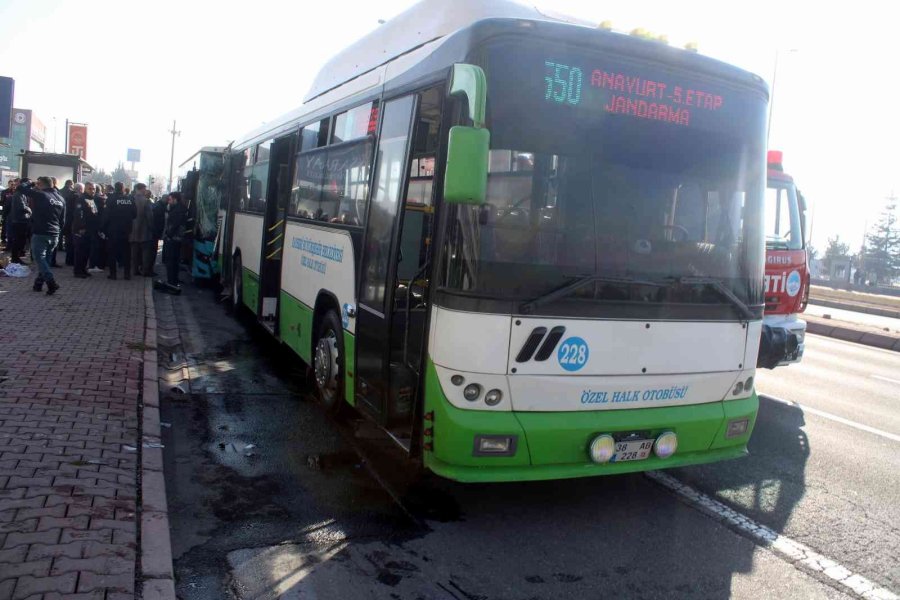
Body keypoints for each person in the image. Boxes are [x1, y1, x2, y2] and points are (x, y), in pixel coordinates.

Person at [18, 177, 65, 294]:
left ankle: (51, 282)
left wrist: (30, 183)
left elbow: (20, 188)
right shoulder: (61, 198)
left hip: (41, 233)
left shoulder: (41, 195)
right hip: (54, 234)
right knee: (46, 260)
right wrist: (58, 231)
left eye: (38, 184)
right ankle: (38, 284)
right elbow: (63, 220)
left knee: (40, 259)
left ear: (40, 184)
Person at [102, 181, 136, 280]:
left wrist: (103, 227)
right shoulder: (129, 199)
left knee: (112, 252)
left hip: (113, 230)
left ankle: (113, 274)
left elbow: (106, 215)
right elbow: (135, 214)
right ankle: (127, 274)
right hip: (126, 230)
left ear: (115, 188)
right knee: (126, 253)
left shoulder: (111, 199)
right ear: (123, 188)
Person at [72, 182, 100, 278]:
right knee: (80, 251)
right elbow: (79, 215)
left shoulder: (91, 199)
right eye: (90, 189)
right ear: (85, 189)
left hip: (90, 229)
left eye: (94, 189)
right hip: (82, 230)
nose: (92, 191)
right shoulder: (81, 199)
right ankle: (78, 271)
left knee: (87, 251)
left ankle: (83, 269)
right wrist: (81, 228)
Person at [162, 192, 188, 287]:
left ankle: (171, 281)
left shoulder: (177, 210)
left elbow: (174, 225)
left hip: (173, 238)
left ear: (175, 199)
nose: (169, 201)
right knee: (174, 261)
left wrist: (168, 235)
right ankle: (173, 280)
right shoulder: (180, 208)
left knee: (171, 261)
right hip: (177, 238)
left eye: (170, 199)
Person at [129, 183, 153, 276]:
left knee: (134, 253)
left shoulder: (130, 200)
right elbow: (150, 217)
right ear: (141, 189)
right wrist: (152, 228)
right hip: (144, 230)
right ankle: (145, 271)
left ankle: (134, 270)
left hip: (132, 230)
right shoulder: (146, 201)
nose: (145, 191)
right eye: (144, 189)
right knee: (145, 252)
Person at [7, 181, 31, 263]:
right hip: (19, 220)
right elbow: (22, 207)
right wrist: (29, 210)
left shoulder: (21, 194)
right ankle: (15, 258)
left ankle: (17, 257)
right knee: (18, 240)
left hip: (21, 220)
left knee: (21, 240)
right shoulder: (18, 195)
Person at [61, 180, 79, 266]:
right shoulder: (77, 198)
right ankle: (71, 260)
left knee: (69, 242)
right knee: (73, 243)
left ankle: (68, 260)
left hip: (67, 221)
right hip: (73, 222)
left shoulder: (67, 196)